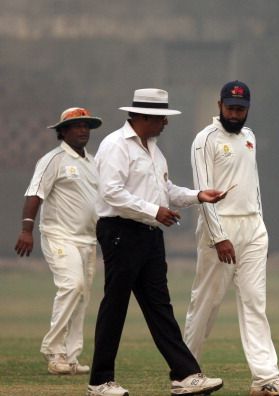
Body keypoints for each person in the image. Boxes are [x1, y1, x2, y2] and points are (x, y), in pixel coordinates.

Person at [87, 88, 226, 396]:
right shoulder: (115, 146)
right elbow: (111, 192)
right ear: (144, 117)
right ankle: (99, 382)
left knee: (159, 307)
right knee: (116, 304)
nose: (165, 123)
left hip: (149, 235)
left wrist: (197, 196)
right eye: (162, 117)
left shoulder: (154, 149)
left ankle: (184, 375)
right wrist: (154, 211)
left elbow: (165, 189)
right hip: (121, 232)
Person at [183, 80, 279, 396]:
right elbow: (203, 192)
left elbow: (252, 185)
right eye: (230, 108)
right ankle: (186, 373)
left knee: (255, 303)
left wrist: (260, 226)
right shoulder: (204, 141)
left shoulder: (249, 137)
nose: (235, 114)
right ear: (219, 106)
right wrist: (219, 237)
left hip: (252, 230)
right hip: (218, 230)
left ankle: (265, 379)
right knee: (206, 302)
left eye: (241, 109)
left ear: (248, 109)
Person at [14, 107, 102, 375]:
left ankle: (71, 357)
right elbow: (34, 194)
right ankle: (54, 350)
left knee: (83, 297)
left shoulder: (94, 161)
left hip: (88, 240)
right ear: (62, 132)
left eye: (86, 125)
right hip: (59, 235)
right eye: (76, 125)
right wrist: (26, 230)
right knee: (72, 286)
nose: (83, 130)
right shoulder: (53, 160)